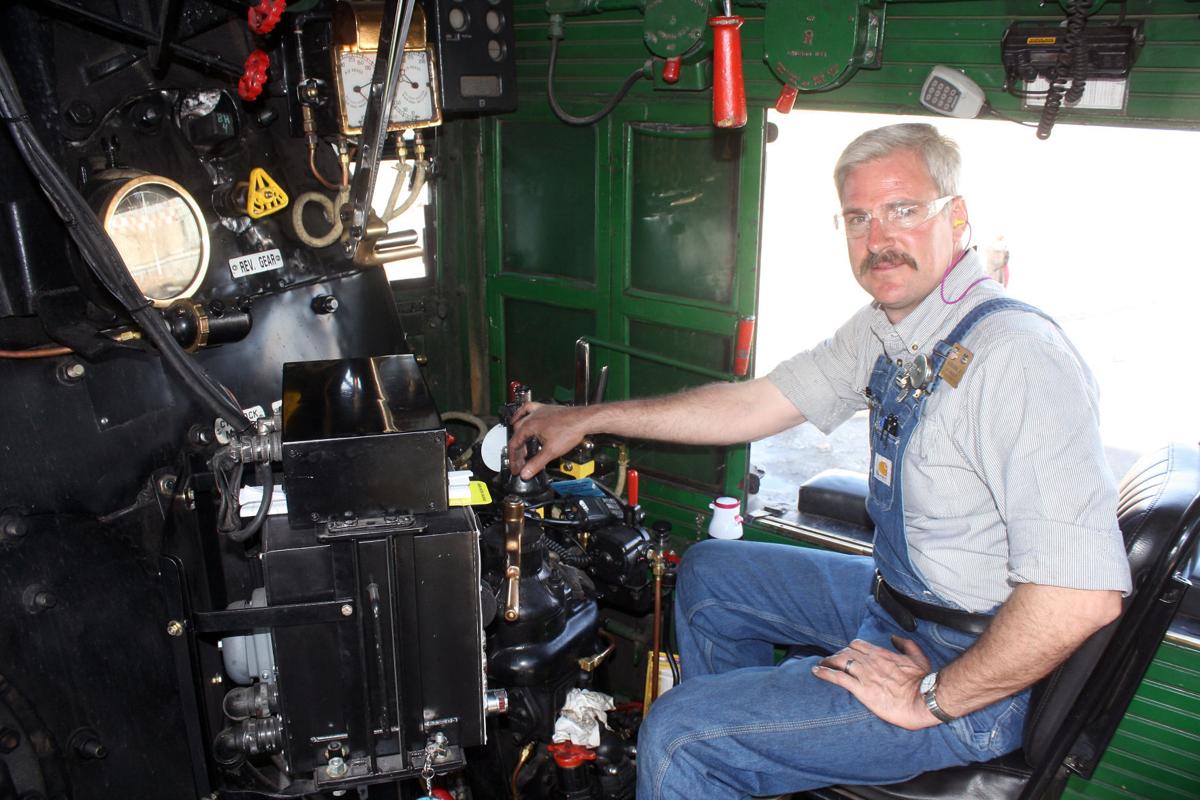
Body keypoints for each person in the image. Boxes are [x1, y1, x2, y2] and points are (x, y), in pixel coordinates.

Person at [507, 123, 1131, 799]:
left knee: (678, 734)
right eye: (859, 217)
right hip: (901, 605)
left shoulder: (1016, 358)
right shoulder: (895, 325)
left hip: (973, 675)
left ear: (957, 217)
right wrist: (589, 417)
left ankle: (704, 759)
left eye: (903, 210)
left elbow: (1080, 597)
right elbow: (754, 404)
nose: (878, 238)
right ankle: (746, 762)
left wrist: (930, 697)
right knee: (714, 575)